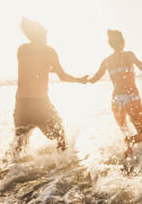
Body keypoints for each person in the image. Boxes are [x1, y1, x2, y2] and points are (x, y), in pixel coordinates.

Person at [14, 18, 88, 154]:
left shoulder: (22, 50)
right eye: (45, 34)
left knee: (19, 143)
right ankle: (63, 167)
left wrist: (46, 68)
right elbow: (63, 76)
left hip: (21, 104)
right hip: (40, 103)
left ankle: (6, 171)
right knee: (61, 137)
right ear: (39, 34)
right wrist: (79, 80)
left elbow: (32, 69)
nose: (47, 37)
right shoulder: (49, 51)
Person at [89, 30, 142, 157]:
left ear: (110, 45)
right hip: (130, 97)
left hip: (116, 100)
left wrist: (83, 79)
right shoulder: (129, 55)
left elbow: (94, 79)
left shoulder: (106, 61)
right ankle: (134, 146)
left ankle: (128, 153)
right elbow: (141, 66)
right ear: (123, 42)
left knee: (125, 130)